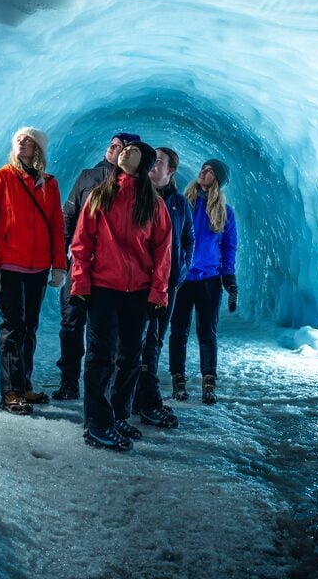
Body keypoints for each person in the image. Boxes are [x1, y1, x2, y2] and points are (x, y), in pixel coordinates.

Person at [69, 141, 172, 450]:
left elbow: (163, 252)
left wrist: (158, 293)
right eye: (124, 149)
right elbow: (81, 243)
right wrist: (80, 284)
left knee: (129, 357)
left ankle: (116, 415)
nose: (126, 151)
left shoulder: (153, 205)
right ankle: (97, 423)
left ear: (143, 163)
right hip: (103, 290)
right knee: (101, 356)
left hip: (138, 293)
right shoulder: (100, 195)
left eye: (134, 151)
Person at [0, 127, 68, 415]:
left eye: (29, 140)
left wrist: (59, 265)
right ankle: (10, 392)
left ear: (38, 149)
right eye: (19, 139)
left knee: (29, 328)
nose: (22, 142)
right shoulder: (0, 178)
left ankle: (24, 384)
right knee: (12, 328)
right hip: (9, 266)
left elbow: (56, 225)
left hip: (38, 267)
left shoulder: (49, 184)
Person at [53, 132, 140, 400]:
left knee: (105, 331)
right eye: (112, 144)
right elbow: (68, 216)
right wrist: (61, 262)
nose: (113, 148)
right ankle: (69, 381)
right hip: (80, 266)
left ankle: (106, 387)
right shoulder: (88, 176)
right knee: (71, 323)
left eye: (121, 146)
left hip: (111, 273)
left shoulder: (136, 184)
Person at [168, 158, 238, 405]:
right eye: (203, 168)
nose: (203, 172)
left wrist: (229, 277)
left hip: (209, 280)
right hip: (182, 278)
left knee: (207, 333)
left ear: (217, 180)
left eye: (209, 171)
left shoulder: (225, 213)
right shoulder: (182, 204)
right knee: (178, 331)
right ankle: (179, 381)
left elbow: (229, 247)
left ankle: (209, 382)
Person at [133, 147, 194, 428]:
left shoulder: (180, 204)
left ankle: (141, 398)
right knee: (137, 341)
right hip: (138, 282)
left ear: (171, 171)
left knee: (154, 339)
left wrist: (180, 271)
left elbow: (188, 239)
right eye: (152, 161)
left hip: (167, 284)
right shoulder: (136, 196)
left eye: (159, 163)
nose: (153, 167)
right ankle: (146, 400)